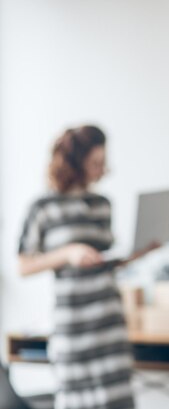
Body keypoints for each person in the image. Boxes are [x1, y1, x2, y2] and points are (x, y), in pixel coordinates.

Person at [18, 126, 135, 409]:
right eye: (96, 162)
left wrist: (136, 254)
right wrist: (67, 253)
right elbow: (24, 265)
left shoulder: (103, 204)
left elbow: (105, 260)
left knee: (118, 401)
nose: (102, 169)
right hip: (73, 327)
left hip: (109, 322)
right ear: (76, 161)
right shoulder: (43, 206)